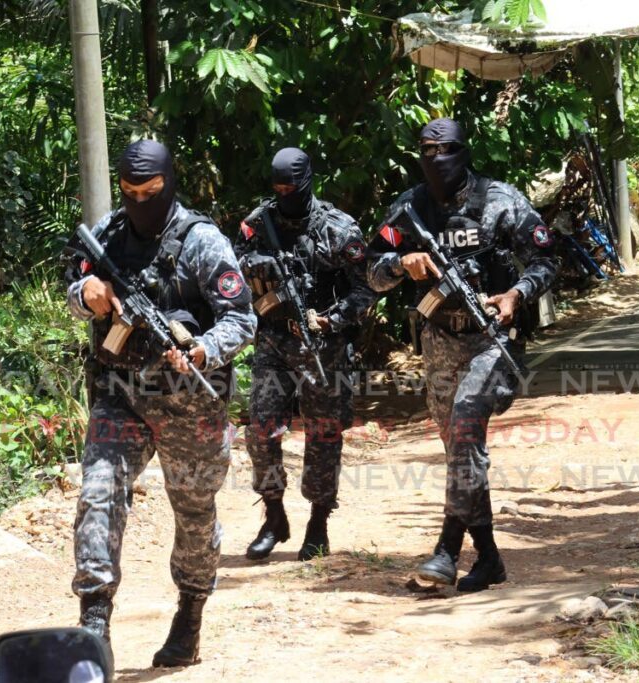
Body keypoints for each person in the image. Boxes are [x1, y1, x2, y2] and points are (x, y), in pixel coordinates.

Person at [64, 139, 256, 666]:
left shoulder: (201, 242)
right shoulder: (107, 235)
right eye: (129, 192)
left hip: (189, 402)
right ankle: (94, 626)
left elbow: (242, 319)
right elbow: (72, 284)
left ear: (170, 183)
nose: (139, 201)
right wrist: (89, 295)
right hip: (120, 395)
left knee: (193, 513)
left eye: (151, 191)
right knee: (99, 494)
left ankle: (190, 615)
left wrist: (201, 348)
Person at [366, 119, 557, 592]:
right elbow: (369, 272)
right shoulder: (410, 207)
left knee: (467, 428)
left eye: (444, 150)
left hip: (492, 339)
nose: (435, 159)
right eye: (426, 151)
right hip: (438, 342)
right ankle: (489, 556)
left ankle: (447, 549)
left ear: (463, 151)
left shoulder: (499, 200)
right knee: (459, 451)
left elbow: (546, 258)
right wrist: (399, 264)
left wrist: (515, 294)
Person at [235, 147, 376, 562]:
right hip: (274, 341)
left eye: (291, 187)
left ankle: (318, 522)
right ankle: (274, 515)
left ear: (307, 182)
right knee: (260, 430)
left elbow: (365, 289)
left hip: (324, 347)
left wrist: (331, 320)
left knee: (323, 434)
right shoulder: (257, 224)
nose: (284, 194)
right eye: (277, 188)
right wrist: (256, 265)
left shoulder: (338, 228)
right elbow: (229, 269)